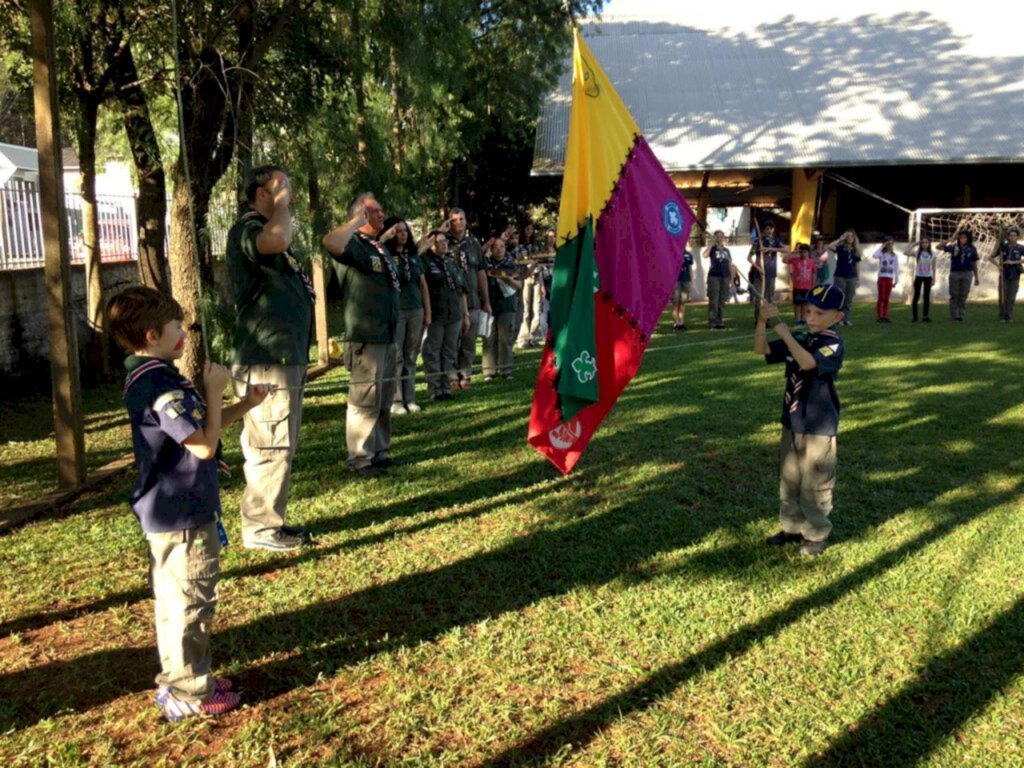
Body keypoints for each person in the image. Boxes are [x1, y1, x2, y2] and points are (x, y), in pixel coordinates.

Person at [106, 286, 272, 720]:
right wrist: (214, 391)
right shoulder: (160, 386)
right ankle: (190, 693)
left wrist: (244, 404)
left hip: (174, 512)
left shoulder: (155, 375)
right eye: (175, 326)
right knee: (189, 603)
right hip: (180, 515)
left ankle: (182, 680)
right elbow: (202, 446)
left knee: (175, 600)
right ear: (149, 335)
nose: (183, 332)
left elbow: (200, 428)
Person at [225, 165, 312, 551]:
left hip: (284, 357)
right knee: (269, 443)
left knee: (283, 444)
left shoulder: (268, 228)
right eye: (281, 186)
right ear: (260, 192)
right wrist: (279, 203)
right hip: (266, 358)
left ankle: (271, 521)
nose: (288, 193)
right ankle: (260, 530)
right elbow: (274, 239)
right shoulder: (248, 228)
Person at [754, 283, 846, 557]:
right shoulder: (803, 338)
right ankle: (792, 527)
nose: (812, 318)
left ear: (837, 317)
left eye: (819, 313)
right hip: (793, 419)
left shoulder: (833, 343)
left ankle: (816, 533)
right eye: (808, 311)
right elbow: (761, 349)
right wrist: (762, 321)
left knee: (815, 481)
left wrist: (785, 334)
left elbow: (807, 363)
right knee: (790, 477)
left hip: (818, 425)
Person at [323, 192, 401, 478]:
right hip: (367, 336)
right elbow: (330, 242)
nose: (382, 214)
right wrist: (356, 221)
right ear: (361, 215)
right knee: (364, 399)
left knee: (382, 397)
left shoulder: (376, 247)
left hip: (387, 333)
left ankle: (379, 450)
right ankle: (360, 457)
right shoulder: (352, 244)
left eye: (381, 209)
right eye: (375, 211)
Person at [385, 216, 431, 414]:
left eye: (405, 230)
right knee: (397, 356)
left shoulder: (413, 256)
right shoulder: (386, 255)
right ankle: (396, 400)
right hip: (397, 310)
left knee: (411, 355)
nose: (403, 234)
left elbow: (422, 284)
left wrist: (427, 312)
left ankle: (410, 398)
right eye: (399, 231)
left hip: (416, 310)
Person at [421, 230, 470, 399]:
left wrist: (465, 315)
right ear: (431, 244)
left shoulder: (451, 263)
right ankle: (435, 389)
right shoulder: (425, 262)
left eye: (445, 241)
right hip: (436, 315)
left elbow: (462, 290)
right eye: (439, 241)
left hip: (454, 314)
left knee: (449, 351)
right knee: (433, 352)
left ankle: (446, 387)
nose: (444, 244)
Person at [448, 208, 491, 389]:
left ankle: (465, 376)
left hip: (473, 300)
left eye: (461, 219)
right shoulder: (443, 242)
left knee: (469, 341)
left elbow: (481, 272)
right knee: (451, 342)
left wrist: (486, 300)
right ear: (449, 223)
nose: (459, 223)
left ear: (466, 221)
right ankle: (451, 377)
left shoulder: (473, 244)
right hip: (451, 302)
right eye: (454, 220)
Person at [483, 237, 522, 379]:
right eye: (496, 247)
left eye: (502, 247)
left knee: (505, 339)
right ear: (491, 250)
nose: (499, 249)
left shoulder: (510, 265)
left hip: (507, 305)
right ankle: (489, 371)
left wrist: (509, 280)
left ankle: (506, 370)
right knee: (489, 338)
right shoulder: (486, 265)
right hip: (489, 304)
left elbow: (519, 286)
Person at [749, 221, 786, 325]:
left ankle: (767, 320)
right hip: (759, 275)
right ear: (763, 230)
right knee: (759, 299)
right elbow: (749, 258)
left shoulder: (775, 241)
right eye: (766, 229)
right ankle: (758, 320)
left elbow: (786, 250)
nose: (768, 231)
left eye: (770, 228)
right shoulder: (758, 242)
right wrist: (758, 268)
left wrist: (770, 248)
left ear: (773, 230)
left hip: (771, 274)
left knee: (769, 298)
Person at [940, 230, 980, 321]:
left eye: (964, 237)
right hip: (955, 273)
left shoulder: (972, 249)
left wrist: (976, 277)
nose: (962, 239)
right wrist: (949, 240)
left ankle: (961, 314)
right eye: (961, 237)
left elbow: (974, 263)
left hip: (967, 273)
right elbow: (938, 247)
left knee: (963, 294)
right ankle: (954, 315)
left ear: (968, 239)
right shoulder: (954, 247)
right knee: (954, 294)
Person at [516, 222, 544, 347]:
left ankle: (534, 336)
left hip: (537, 276)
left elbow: (542, 260)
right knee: (525, 308)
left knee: (537, 308)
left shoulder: (537, 245)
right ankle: (523, 338)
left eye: (531, 229)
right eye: (527, 228)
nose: (529, 231)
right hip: (525, 276)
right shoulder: (519, 245)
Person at [826, 230, 861, 325]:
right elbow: (830, 246)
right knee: (840, 298)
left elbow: (857, 265)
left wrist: (858, 278)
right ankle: (839, 319)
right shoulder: (840, 248)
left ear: (854, 238)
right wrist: (840, 239)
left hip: (851, 276)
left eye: (851, 236)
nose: (850, 238)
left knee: (849, 298)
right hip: (840, 276)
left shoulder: (856, 250)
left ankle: (847, 319)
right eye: (848, 236)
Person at [704, 231, 734, 329]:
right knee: (714, 300)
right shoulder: (712, 249)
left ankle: (720, 320)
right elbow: (704, 255)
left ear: (723, 238)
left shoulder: (727, 250)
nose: (719, 238)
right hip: (714, 277)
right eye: (717, 237)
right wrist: (711, 245)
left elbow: (730, 264)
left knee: (722, 300)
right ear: (715, 238)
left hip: (725, 277)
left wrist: (732, 279)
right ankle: (713, 322)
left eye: (721, 237)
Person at [784, 243, 818, 325]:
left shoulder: (812, 261)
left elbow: (813, 274)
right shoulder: (795, 260)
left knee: (805, 304)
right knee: (797, 304)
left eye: (805, 252)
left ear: (808, 253)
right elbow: (784, 260)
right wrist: (793, 252)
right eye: (801, 252)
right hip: (797, 286)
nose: (803, 254)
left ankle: (803, 319)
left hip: (807, 287)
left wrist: (813, 286)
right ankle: (797, 320)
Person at [994, 226, 1023, 322]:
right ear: (1008, 236)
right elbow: (991, 257)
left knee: (1011, 297)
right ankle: (1002, 315)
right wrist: (999, 266)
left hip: (1015, 274)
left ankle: (1009, 316)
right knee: (1003, 296)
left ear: (1017, 237)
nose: (1012, 237)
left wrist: (1014, 262)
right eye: (1010, 235)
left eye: (1014, 235)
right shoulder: (1003, 247)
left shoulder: (1020, 248)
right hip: (1004, 275)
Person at [906, 238, 936, 322]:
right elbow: (905, 253)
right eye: (922, 242)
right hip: (919, 276)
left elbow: (934, 266)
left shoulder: (933, 253)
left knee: (926, 296)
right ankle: (915, 317)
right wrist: (915, 244)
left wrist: (934, 278)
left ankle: (925, 316)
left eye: (926, 242)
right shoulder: (917, 253)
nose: (924, 244)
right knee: (916, 296)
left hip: (928, 277)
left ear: (929, 243)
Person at [872, 236, 900, 323]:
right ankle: (880, 316)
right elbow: (874, 255)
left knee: (887, 298)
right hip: (882, 277)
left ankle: (885, 315)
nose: (890, 245)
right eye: (888, 243)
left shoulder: (894, 256)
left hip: (890, 278)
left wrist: (896, 279)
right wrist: (882, 246)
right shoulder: (881, 254)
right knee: (881, 297)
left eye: (891, 243)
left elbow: (896, 268)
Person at [672, 247, 694, 331]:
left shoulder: (689, 255)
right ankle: (676, 323)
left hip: (686, 280)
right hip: (676, 281)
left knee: (683, 302)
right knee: (676, 302)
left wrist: (691, 281)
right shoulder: (673, 252)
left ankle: (681, 323)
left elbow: (690, 269)